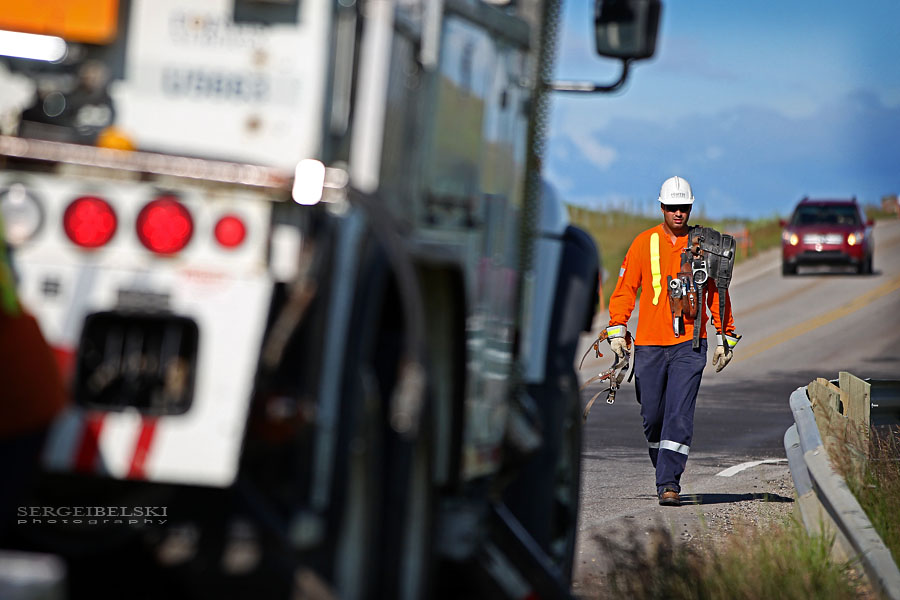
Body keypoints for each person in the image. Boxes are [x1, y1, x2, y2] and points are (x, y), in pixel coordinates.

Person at [605, 176, 740, 506]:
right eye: (672, 207)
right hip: (650, 345)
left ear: (690, 208)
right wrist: (617, 327)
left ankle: (669, 483)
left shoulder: (704, 245)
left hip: (689, 345)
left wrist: (725, 335)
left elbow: (717, 294)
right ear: (662, 207)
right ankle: (664, 465)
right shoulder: (644, 243)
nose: (678, 213)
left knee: (679, 415)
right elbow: (625, 289)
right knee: (653, 418)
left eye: (684, 207)